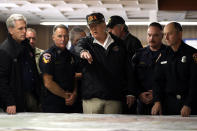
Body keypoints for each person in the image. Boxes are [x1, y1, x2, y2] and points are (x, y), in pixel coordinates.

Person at [73, 12, 135, 114]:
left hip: (114, 97)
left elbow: (127, 69)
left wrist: (130, 92)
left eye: (96, 25)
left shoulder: (119, 43)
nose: (93, 29)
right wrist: (83, 52)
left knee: (113, 129)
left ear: (104, 24)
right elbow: (78, 48)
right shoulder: (85, 42)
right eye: (91, 26)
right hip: (92, 99)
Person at [151, 22, 197, 117]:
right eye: (164, 34)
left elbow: (195, 82)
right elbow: (157, 81)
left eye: (170, 34)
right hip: (168, 105)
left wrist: (188, 104)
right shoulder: (163, 55)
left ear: (179, 34)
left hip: (188, 106)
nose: (166, 37)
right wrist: (157, 101)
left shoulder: (192, 54)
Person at [0, 14, 40, 114]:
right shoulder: (4, 50)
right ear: (10, 30)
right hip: (15, 98)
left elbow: (33, 70)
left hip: (32, 94)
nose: (24, 31)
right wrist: (9, 102)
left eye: (25, 28)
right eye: (20, 29)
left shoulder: (27, 45)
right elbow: (1, 80)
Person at [39, 24, 79, 113]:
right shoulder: (48, 56)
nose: (63, 39)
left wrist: (75, 94)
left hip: (71, 102)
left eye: (65, 36)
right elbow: (48, 83)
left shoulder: (71, 56)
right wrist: (65, 96)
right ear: (53, 37)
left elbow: (74, 77)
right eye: (59, 36)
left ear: (68, 38)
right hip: (53, 103)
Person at [107, 15, 142, 114]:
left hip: (129, 91)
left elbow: (134, 70)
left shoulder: (133, 43)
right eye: (108, 28)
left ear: (121, 28)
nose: (109, 31)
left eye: (112, 28)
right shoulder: (113, 42)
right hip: (117, 90)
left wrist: (131, 92)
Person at [132, 22, 166, 115]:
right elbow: (132, 77)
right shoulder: (139, 55)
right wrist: (139, 94)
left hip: (163, 101)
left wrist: (157, 95)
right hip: (142, 101)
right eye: (149, 35)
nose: (151, 38)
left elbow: (172, 79)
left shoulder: (168, 54)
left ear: (162, 36)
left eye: (155, 35)